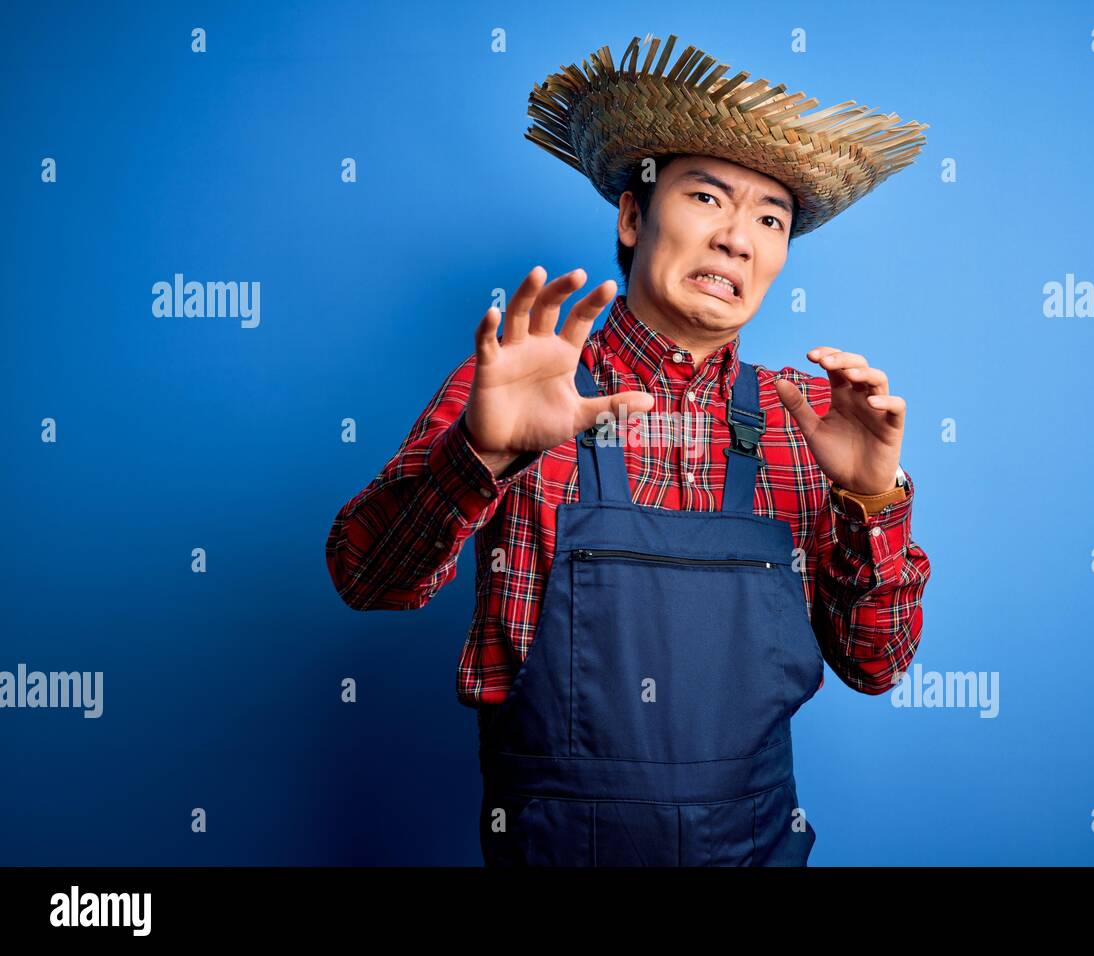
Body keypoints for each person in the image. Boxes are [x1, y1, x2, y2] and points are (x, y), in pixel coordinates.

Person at [325, 33, 932, 866]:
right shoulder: (521, 388)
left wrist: (873, 502)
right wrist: (481, 457)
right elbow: (367, 578)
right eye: (707, 198)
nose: (737, 239)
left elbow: (876, 665)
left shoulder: (813, 422)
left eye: (770, 217)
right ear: (634, 214)